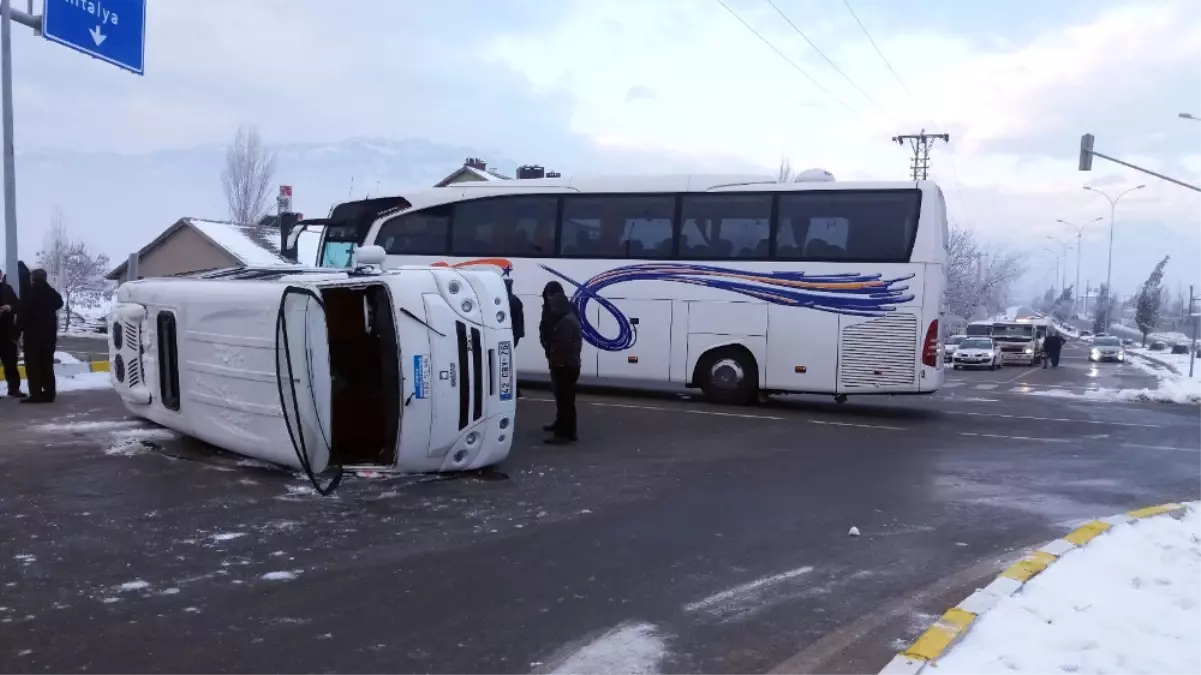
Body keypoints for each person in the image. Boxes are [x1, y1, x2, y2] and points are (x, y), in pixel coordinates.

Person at [541, 283, 582, 444]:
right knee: (565, 399)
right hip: (568, 364)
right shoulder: (569, 318)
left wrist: (553, 355)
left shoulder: (565, 322)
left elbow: (562, 345)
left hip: (564, 365)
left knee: (565, 400)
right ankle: (564, 429)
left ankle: (565, 433)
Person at [18, 267, 63, 404]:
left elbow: (23, 315)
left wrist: (17, 331)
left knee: (33, 365)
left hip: (33, 336)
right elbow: (59, 303)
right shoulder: (51, 292)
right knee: (47, 363)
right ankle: (49, 393)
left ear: (32, 279)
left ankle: (36, 394)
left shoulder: (29, 293)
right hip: (49, 336)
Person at [0, 270, 23, 398]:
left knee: (10, 362)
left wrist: (9, 307)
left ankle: (14, 388)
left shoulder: (7, 289)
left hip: (7, 331)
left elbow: (17, 304)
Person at [504, 277, 525, 399]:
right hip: (514, 335)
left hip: (509, 335)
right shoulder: (516, 300)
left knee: (506, 364)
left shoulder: (507, 301)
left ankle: (515, 390)